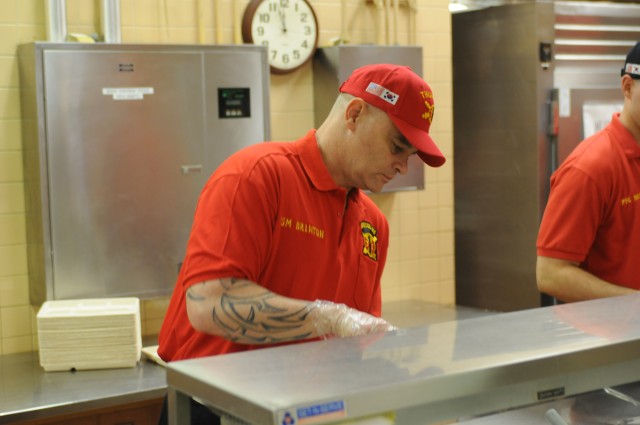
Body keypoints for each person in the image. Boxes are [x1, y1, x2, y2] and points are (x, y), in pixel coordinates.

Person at [156, 63, 445, 424]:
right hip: (214, 411)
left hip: (302, 413)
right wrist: (328, 317)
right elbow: (208, 304)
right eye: (397, 146)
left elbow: (354, 342)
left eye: (411, 156)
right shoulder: (256, 176)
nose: (404, 166)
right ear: (354, 114)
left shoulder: (373, 226)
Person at [536, 42, 640, 303]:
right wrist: (634, 305)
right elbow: (551, 274)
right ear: (628, 87)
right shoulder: (590, 168)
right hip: (610, 338)